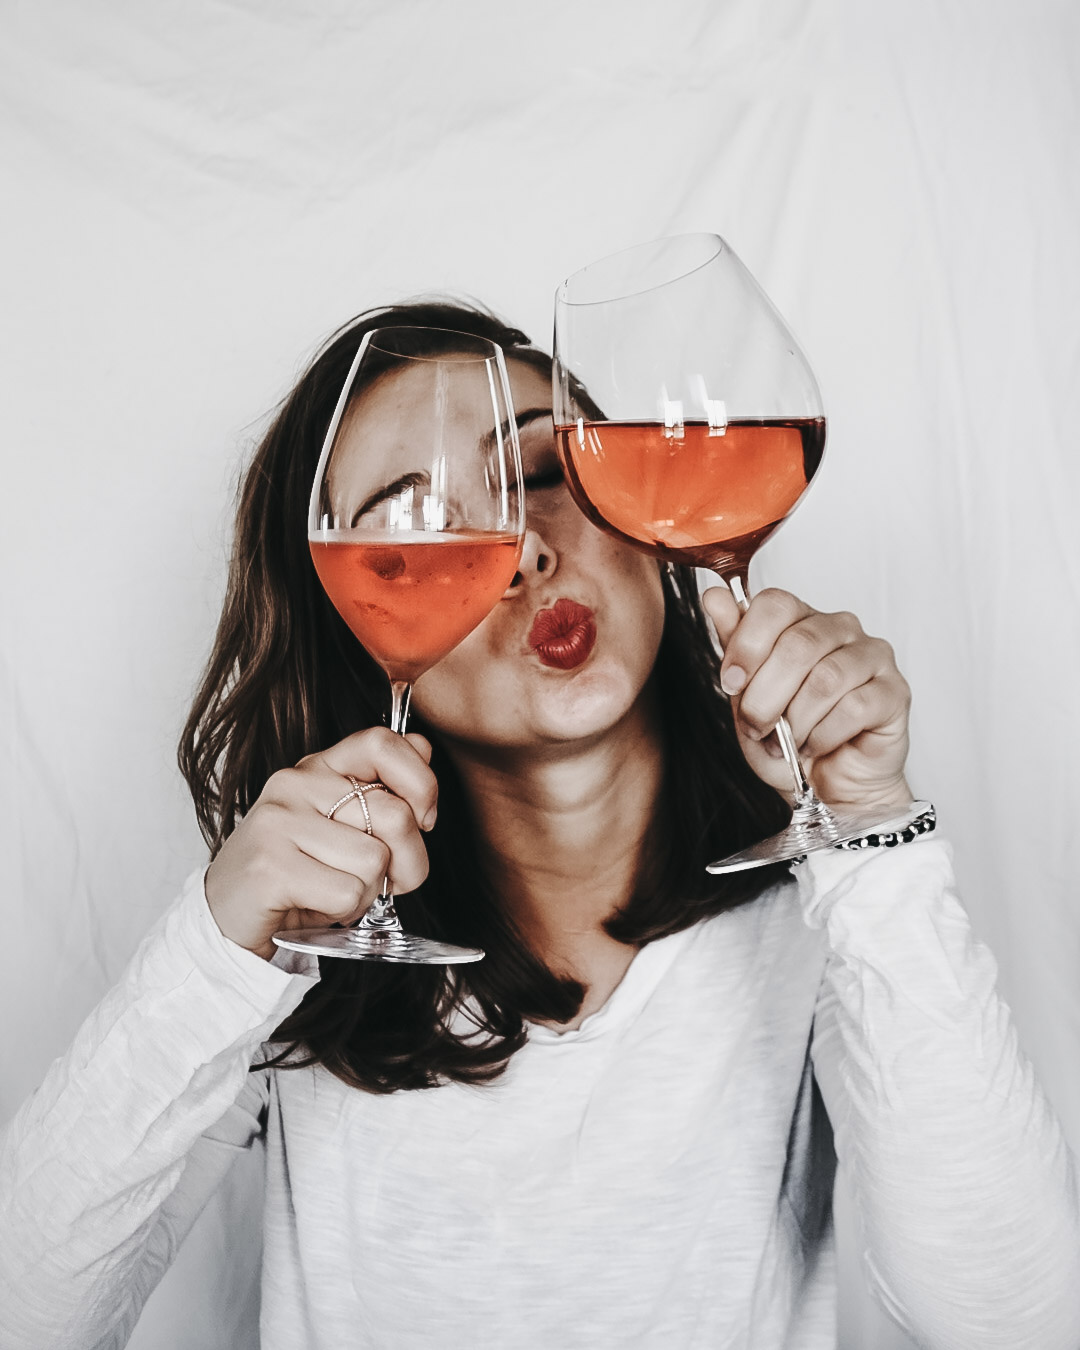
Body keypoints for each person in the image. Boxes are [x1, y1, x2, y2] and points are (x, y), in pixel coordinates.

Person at [1, 301, 1077, 1350]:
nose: (520, 551)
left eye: (551, 475)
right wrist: (216, 944)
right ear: (354, 619)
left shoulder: (822, 925)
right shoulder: (295, 968)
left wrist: (871, 831)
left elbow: (1013, 1324)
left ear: (648, 518)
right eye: (415, 523)